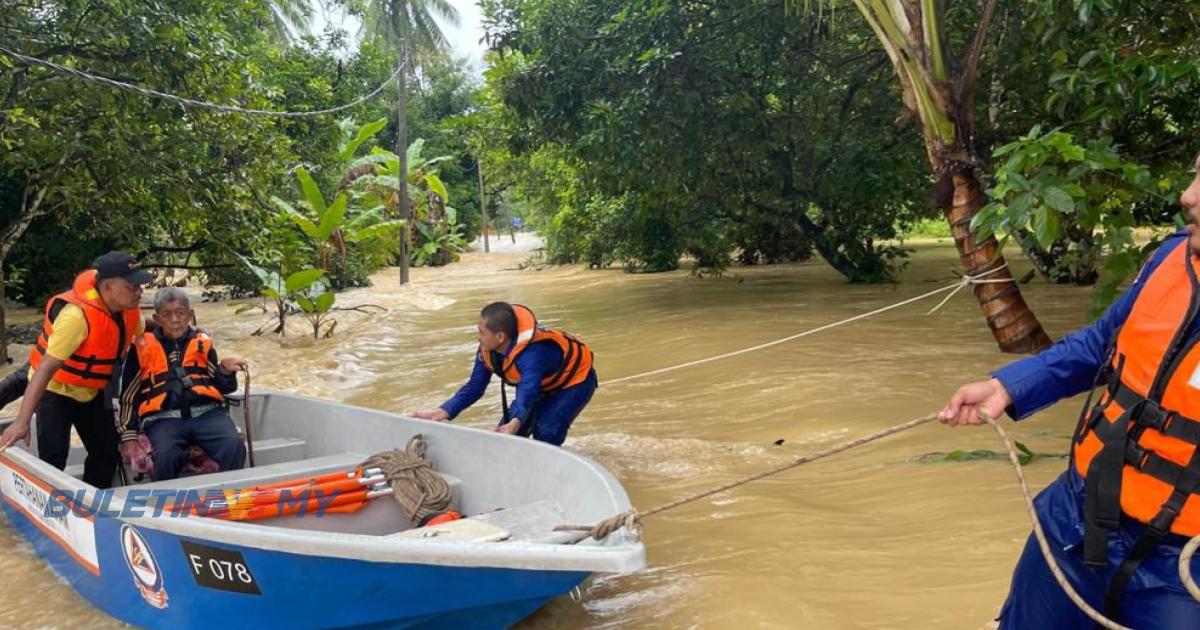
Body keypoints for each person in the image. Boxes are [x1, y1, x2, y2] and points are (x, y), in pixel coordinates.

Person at [939, 156, 1200, 629]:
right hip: (1077, 519)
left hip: (1184, 571)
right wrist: (1009, 387)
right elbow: (1101, 343)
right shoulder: (1171, 258)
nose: (1188, 196)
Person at [0, 251, 149, 488]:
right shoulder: (76, 317)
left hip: (91, 391)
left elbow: (142, 333)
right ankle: (49, 508)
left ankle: (93, 502)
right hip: (55, 388)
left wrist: (174, 325)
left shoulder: (129, 311)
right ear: (109, 286)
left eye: (141, 286)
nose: (139, 291)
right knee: (54, 455)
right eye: (133, 286)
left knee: (107, 451)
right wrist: (21, 421)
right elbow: (44, 368)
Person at [413, 302, 597, 446]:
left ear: (500, 337)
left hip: (576, 381)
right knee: (508, 434)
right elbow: (475, 387)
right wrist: (444, 411)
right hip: (543, 383)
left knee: (546, 432)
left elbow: (529, 391)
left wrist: (515, 421)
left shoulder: (532, 354)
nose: (478, 336)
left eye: (481, 331)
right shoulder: (488, 349)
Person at [116, 287, 247, 481]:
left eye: (180, 313)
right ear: (157, 318)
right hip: (163, 420)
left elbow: (222, 386)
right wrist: (128, 437)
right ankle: (165, 508)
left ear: (190, 315)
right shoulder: (141, 348)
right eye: (166, 314)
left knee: (233, 445)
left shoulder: (203, 343)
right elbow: (128, 397)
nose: (175, 320)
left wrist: (225, 370)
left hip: (208, 414)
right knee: (166, 456)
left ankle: (228, 501)